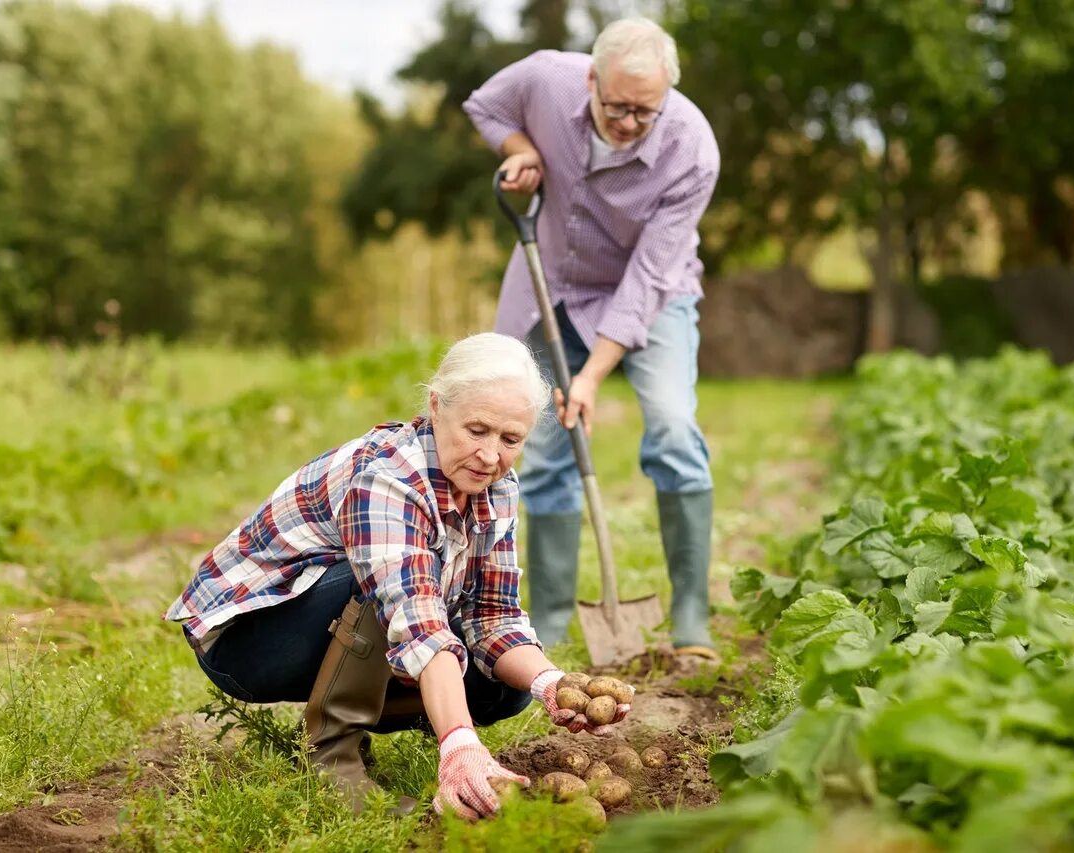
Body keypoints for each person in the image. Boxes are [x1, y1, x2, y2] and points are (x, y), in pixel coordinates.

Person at [164, 333, 632, 820]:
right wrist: (459, 744)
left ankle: (401, 716)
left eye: (510, 439)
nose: (491, 455)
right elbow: (417, 619)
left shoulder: (497, 486)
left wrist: (551, 683)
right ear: (436, 407)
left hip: (341, 625)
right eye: (477, 430)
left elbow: (493, 615)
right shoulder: (387, 476)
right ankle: (330, 756)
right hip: (248, 639)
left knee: (508, 688)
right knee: (376, 587)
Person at [462, 17, 720, 660]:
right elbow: (486, 105)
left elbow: (648, 277)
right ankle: (545, 621)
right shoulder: (547, 77)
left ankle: (690, 613)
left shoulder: (692, 148)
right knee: (544, 445)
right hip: (552, 285)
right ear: (591, 80)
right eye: (616, 106)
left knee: (671, 427)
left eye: (645, 111)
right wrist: (519, 149)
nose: (630, 122)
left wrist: (594, 373)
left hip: (651, 296)